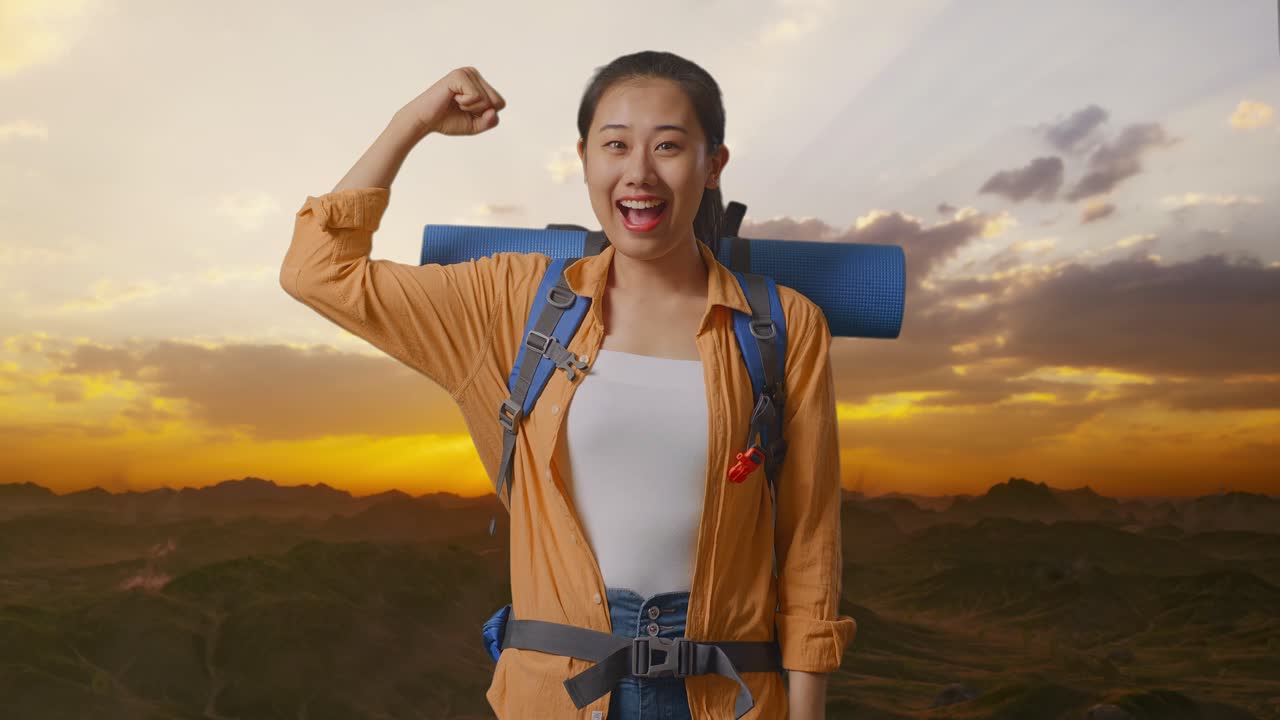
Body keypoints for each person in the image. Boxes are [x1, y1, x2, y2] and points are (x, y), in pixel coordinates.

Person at [280, 51, 855, 720]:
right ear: (584, 158)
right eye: (615, 145)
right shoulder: (513, 303)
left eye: (669, 146)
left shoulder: (781, 326)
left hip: (730, 698)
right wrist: (411, 122)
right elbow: (316, 271)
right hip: (555, 695)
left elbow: (810, 542)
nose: (639, 173)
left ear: (713, 163)